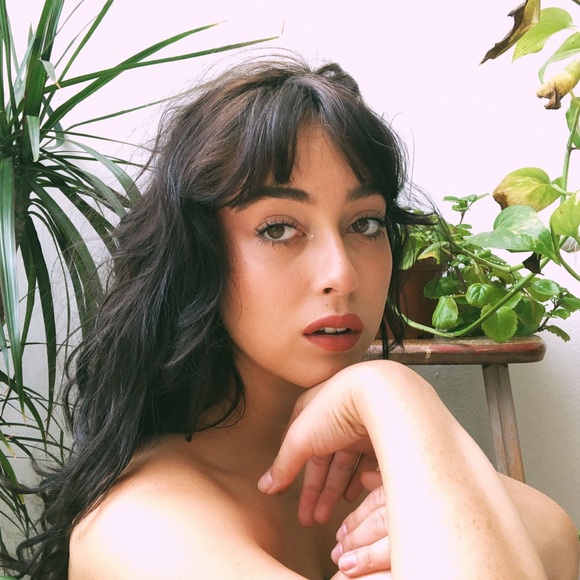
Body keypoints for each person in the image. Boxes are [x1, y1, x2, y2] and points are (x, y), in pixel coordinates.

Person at [1, 55, 578, 580]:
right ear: (198, 255)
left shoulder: (416, 485)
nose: (341, 275)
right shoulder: (139, 528)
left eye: (365, 224)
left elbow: (554, 537)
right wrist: (396, 394)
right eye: (278, 229)